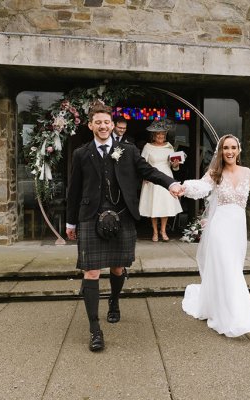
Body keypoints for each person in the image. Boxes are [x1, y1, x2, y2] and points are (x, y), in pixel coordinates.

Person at [66, 103, 182, 352]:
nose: (103, 126)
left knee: (118, 269)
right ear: (90, 125)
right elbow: (73, 190)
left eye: (106, 122)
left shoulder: (127, 151)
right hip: (90, 217)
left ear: (112, 124)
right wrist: (70, 221)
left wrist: (170, 184)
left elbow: (148, 171)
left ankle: (114, 302)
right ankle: (95, 329)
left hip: (121, 216)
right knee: (92, 272)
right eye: (98, 122)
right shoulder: (81, 153)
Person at [179, 134, 250, 337]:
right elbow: (201, 187)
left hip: (237, 228)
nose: (229, 151)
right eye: (225, 148)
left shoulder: (247, 173)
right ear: (221, 151)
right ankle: (236, 318)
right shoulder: (215, 172)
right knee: (228, 268)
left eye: (233, 148)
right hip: (220, 226)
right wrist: (185, 188)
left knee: (233, 267)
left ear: (238, 150)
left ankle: (224, 308)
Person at [138, 119, 183, 242]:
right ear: (154, 135)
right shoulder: (147, 147)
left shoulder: (170, 147)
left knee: (165, 205)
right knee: (154, 205)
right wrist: (145, 176)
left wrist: (175, 164)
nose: (160, 136)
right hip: (152, 177)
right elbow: (141, 164)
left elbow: (174, 166)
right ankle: (155, 232)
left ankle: (163, 231)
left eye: (163, 134)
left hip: (166, 176)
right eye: (158, 134)